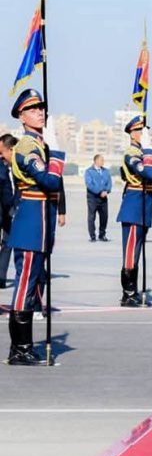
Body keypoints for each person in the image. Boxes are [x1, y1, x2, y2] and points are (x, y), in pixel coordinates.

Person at [5, 89, 66, 365]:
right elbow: (50, 181)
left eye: (41, 108)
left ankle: (24, 346)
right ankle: (19, 348)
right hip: (31, 223)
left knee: (31, 285)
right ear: (21, 116)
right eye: (32, 109)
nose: (39, 112)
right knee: (24, 284)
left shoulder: (40, 145)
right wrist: (58, 153)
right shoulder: (27, 147)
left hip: (40, 224)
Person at [116, 115, 152, 308]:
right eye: (140, 131)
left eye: (144, 131)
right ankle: (129, 293)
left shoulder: (141, 153)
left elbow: (150, 181)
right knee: (131, 253)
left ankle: (133, 290)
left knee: (137, 252)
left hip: (143, 207)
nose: (143, 134)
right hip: (134, 208)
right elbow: (147, 172)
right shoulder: (131, 153)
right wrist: (148, 150)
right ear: (132, 133)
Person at [0, 134, 17, 288]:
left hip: (10, 210)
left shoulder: (19, 166)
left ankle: (1, 277)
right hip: (5, 209)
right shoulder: (1, 168)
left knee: (7, 244)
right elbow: (5, 191)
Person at [84, 154, 112, 242]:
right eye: (101, 160)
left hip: (104, 198)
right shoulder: (89, 171)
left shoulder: (106, 171)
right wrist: (100, 191)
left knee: (104, 217)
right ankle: (92, 236)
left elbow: (109, 183)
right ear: (96, 161)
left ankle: (102, 235)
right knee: (91, 217)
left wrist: (106, 191)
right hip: (93, 198)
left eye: (103, 160)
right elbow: (89, 185)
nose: (103, 162)